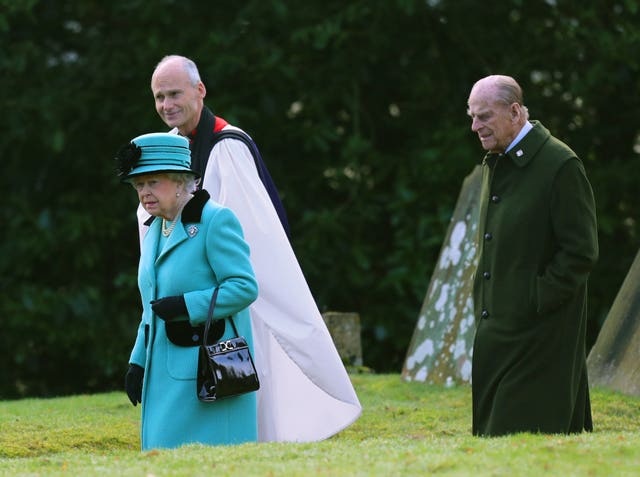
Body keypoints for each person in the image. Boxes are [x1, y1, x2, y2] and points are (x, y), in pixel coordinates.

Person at [140, 55, 361, 442]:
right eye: (159, 97)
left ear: (200, 90)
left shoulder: (228, 146)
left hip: (230, 294)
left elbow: (250, 234)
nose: (167, 105)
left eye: (175, 93)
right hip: (185, 300)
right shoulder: (165, 150)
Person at [467, 75, 599, 436]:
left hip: (540, 337)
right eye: (472, 117)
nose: (475, 126)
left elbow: (581, 251)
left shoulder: (560, 164)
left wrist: (536, 298)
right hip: (500, 333)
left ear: (514, 112)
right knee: (496, 446)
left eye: (483, 116)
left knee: (522, 442)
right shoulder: (498, 160)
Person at [118, 132, 259, 450]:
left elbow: (244, 287)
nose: (144, 193)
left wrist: (185, 305)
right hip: (164, 371)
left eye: (153, 182)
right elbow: (150, 308)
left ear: (181, 181)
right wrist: (137, 362)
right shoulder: (155, 228)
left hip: (210, 370)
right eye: (139, 185)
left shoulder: (214, 220)